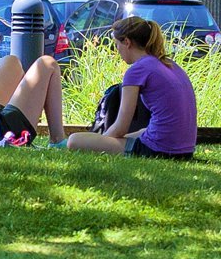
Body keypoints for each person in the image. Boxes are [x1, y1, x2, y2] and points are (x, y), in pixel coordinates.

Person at [59, 16, 191, 159]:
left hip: (159, 149)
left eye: (117, 45)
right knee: (141, 132)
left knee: (74, 141)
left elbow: (120, 127)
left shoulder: (137, 70)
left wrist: (103, 142)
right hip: (185, 149)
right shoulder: (169, 64)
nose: (117, 51)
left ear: (127, 42)